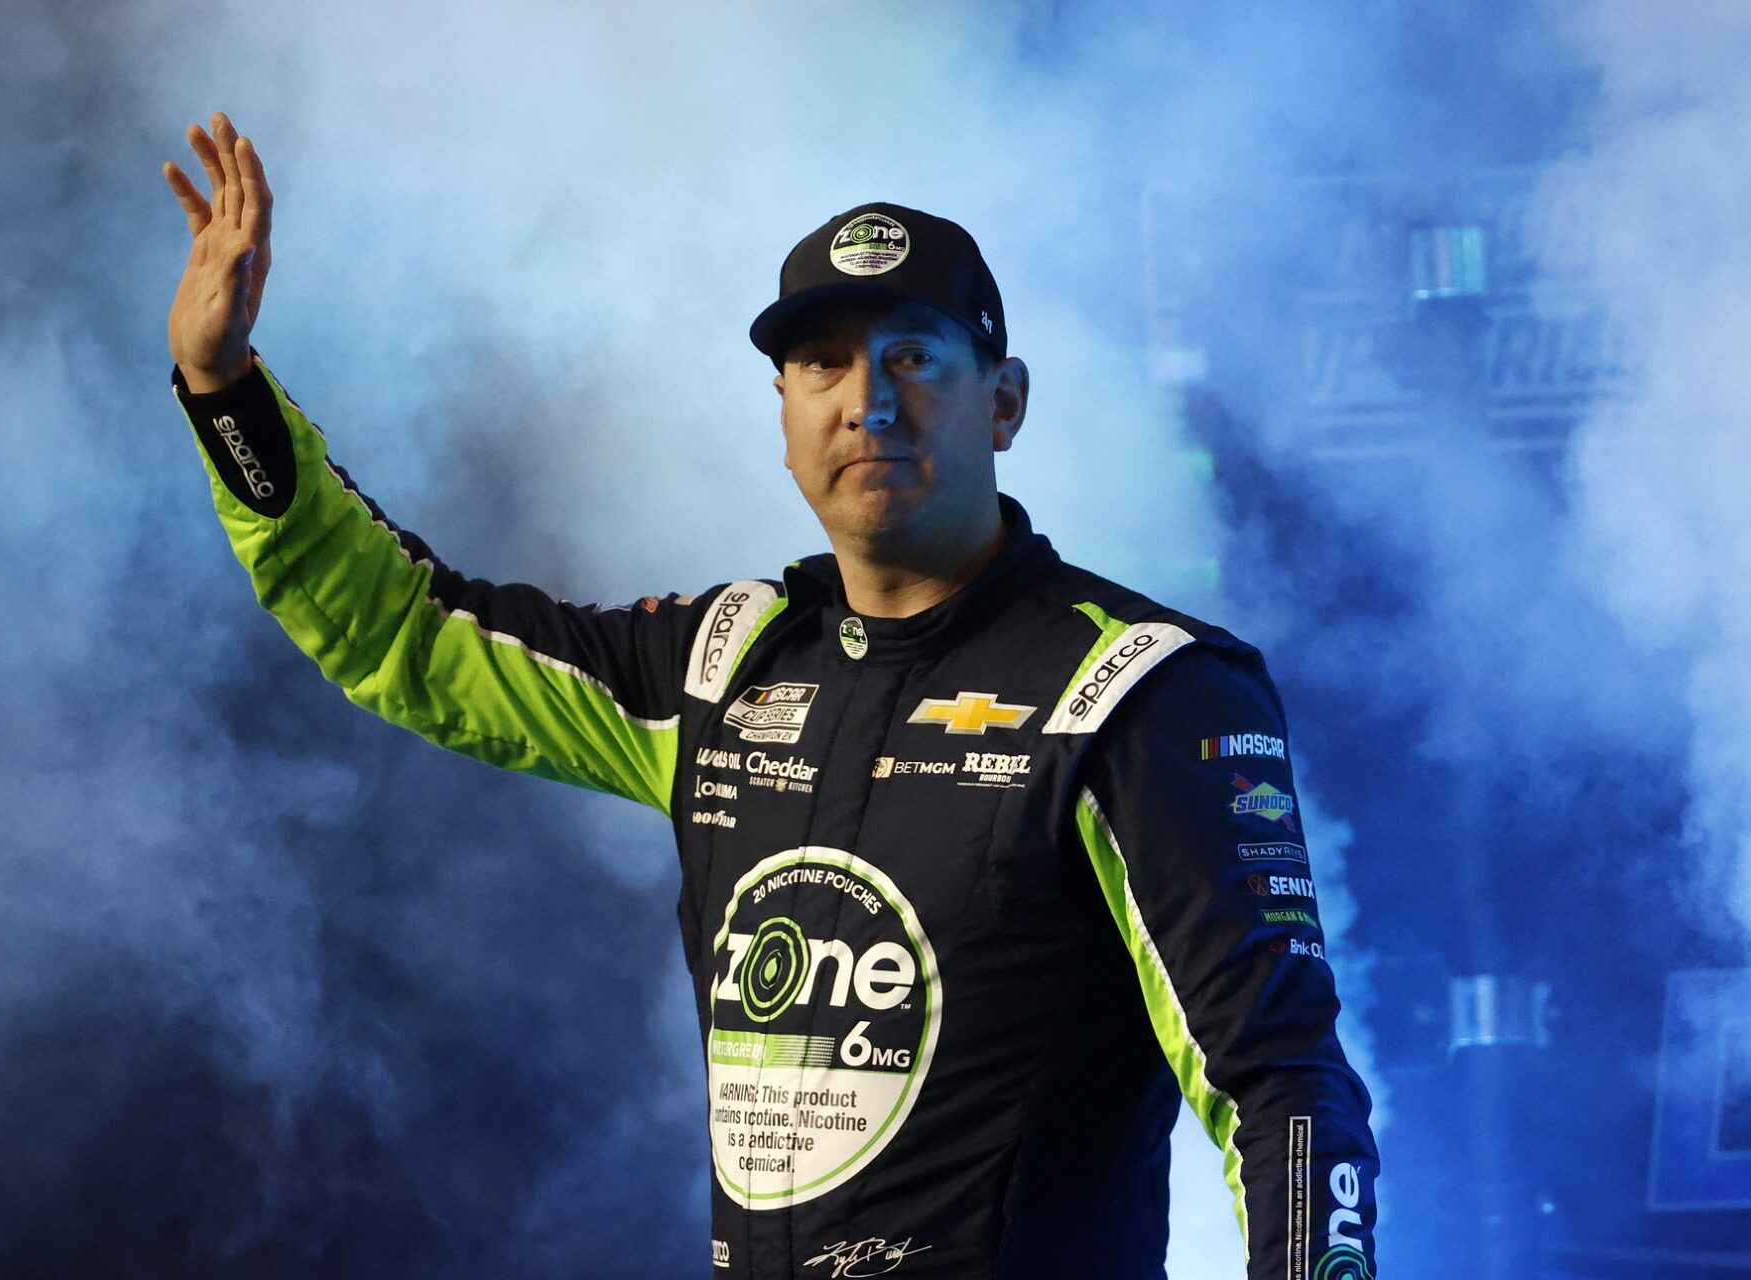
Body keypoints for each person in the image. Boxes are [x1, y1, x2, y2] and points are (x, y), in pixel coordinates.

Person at [163, 112, 1380, 1280]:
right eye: (824, 363)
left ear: (1004, 400)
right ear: (785, 419)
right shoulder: (726, 663)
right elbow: (408, 630)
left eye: (915, 355)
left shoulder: (1141, 686)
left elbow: (1280, 1087)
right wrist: (224, 392)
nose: (870, 400)